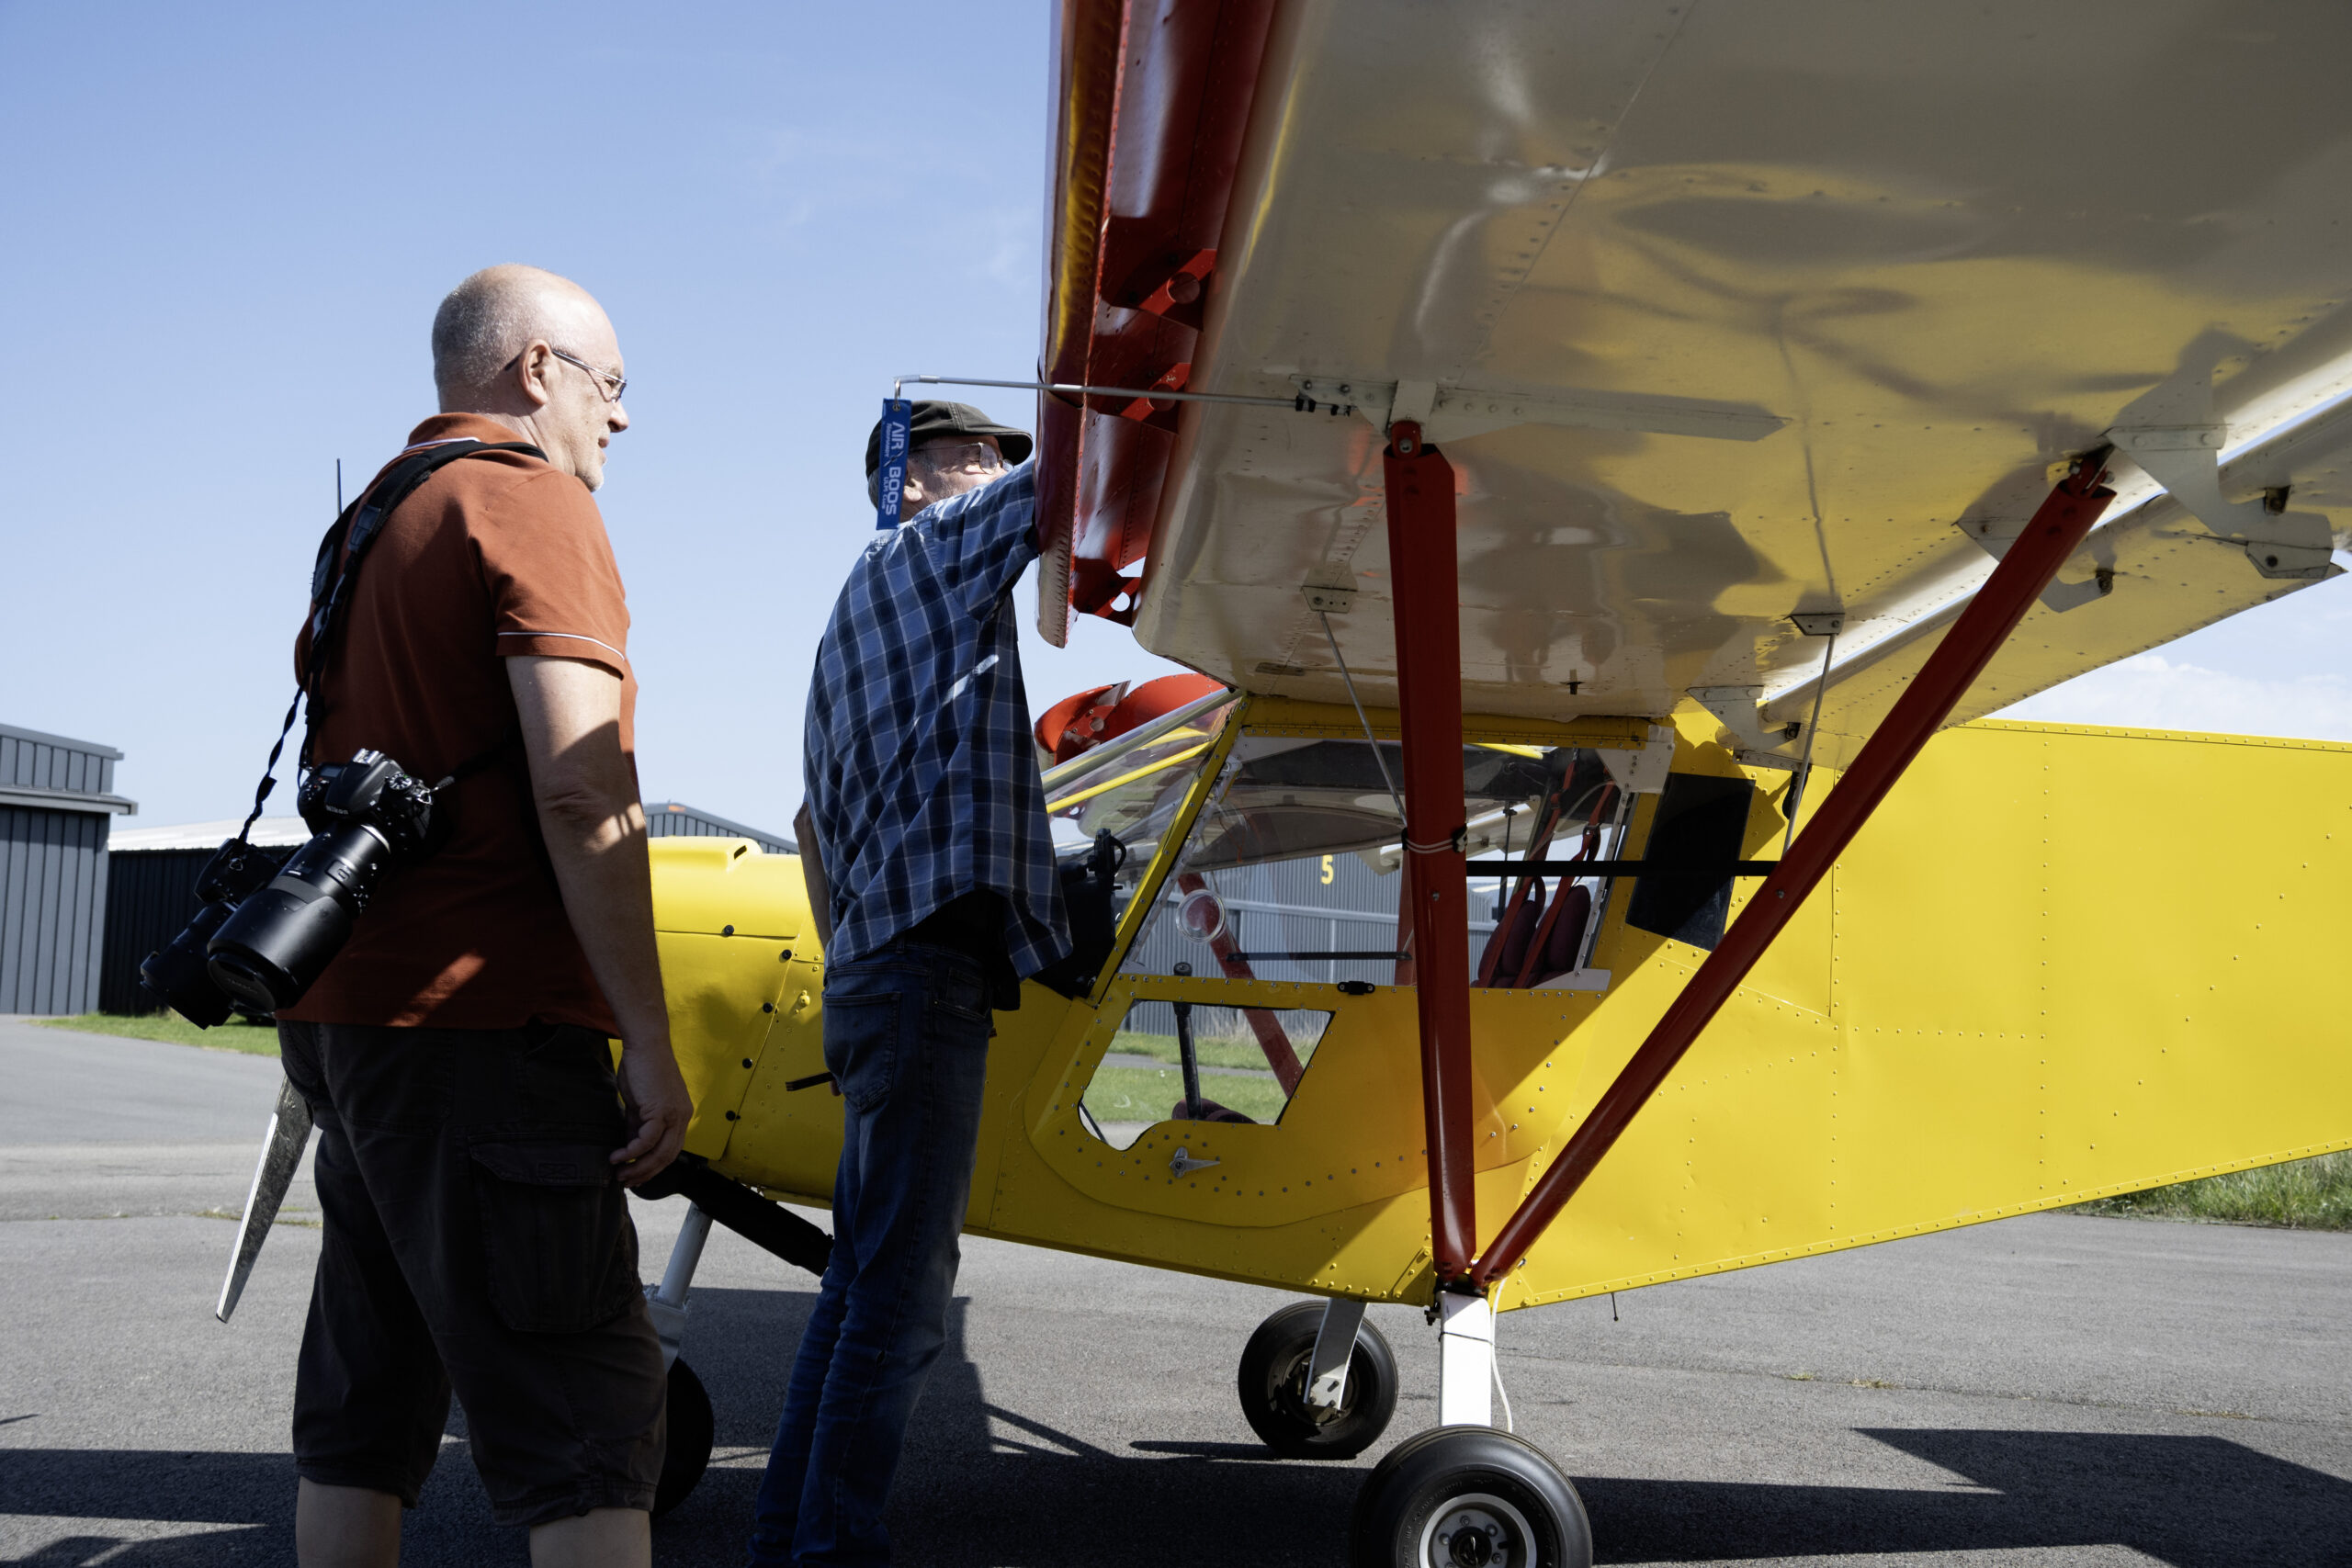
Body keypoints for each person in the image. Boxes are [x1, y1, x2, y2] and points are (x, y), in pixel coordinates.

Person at [276, 264, 692, 1568]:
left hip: (350, 1016)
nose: (619, 415)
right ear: (536, 370)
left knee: (367, 1404)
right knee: (584, 1427)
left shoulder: (372, 517)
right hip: (485, 1024)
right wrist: (649, 1038)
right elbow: (580, 786)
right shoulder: (531, 500)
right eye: (610, 383)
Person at [748, 403, 1069, 1565]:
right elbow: (1068, 473)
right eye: (972, 458)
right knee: (899, 1305)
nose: (993, 473)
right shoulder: (933, 549)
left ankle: (788, 1540)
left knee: (858, 1289)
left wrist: (850, 962)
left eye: (993, 459)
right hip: (926, 971)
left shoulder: (854, 610)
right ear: (917, 481)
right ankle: (832, 1553)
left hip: (873, 970)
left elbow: (806, 826)